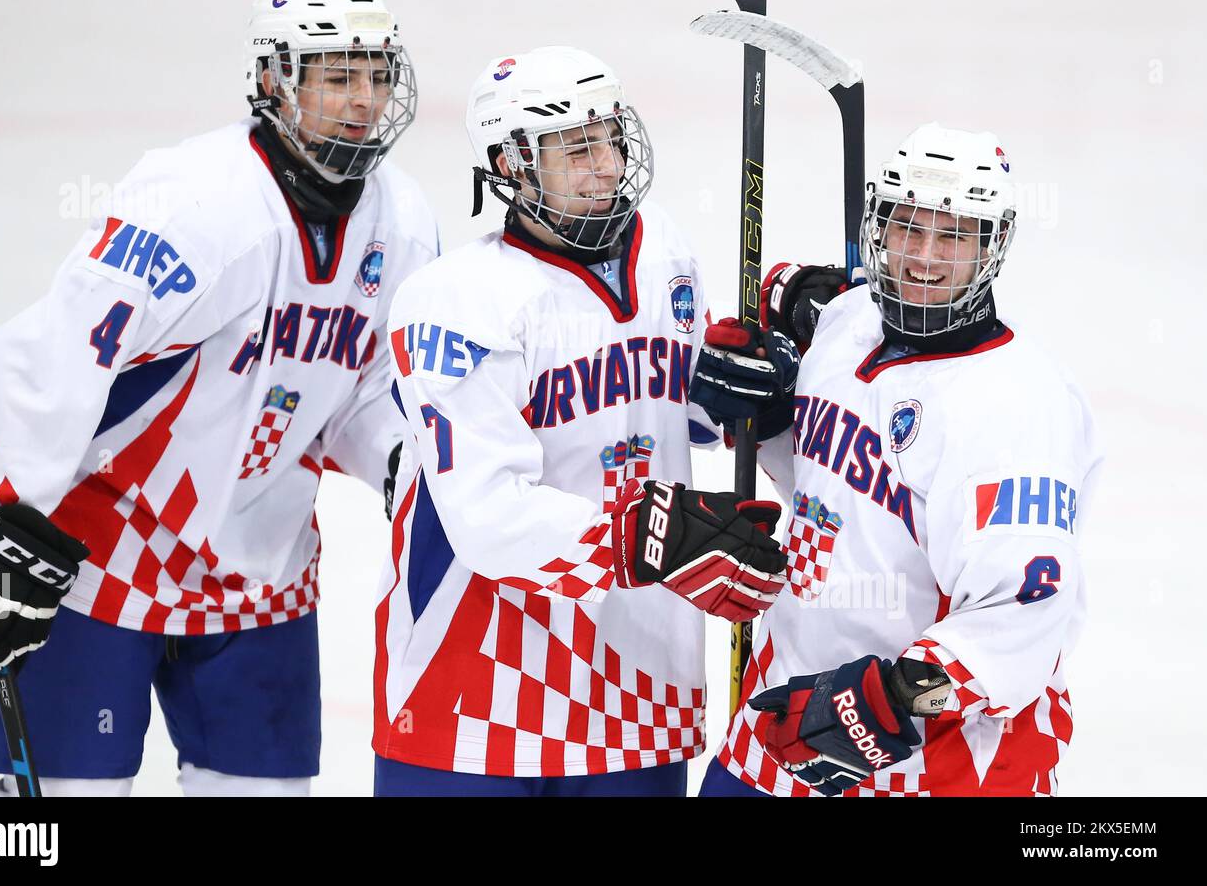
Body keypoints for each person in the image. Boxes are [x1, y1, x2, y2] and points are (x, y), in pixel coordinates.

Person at [0, 0, 438, 797]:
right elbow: (62, 348)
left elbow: (364, 389)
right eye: (337, 76)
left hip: (263, 570)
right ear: (277, 80)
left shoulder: (404, 222)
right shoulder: (201, 202)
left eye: (377, 74)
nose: (363, 100)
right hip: (99, 556)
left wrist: (398, 460)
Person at [370, 46, 791, 797]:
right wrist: (660, 536)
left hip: (639, 694)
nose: (605, 164)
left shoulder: (662, 249)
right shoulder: (454, 301)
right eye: (575, 148)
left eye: (610, 135)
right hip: (471, 704)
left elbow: (685, 420)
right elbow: (490, 519)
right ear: (512, 163)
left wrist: (745, 383)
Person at [691, 122, 1102, 797]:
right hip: (784, 716)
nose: (925, 256)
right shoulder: (848, 320)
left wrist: (891, 696)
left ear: (992, 247)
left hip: (936, 762)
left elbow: (1025, 610)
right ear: (876, 226)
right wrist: (762, 419)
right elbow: (837, 485)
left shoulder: (1019, 404)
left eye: (954, 236)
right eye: (908, 226)